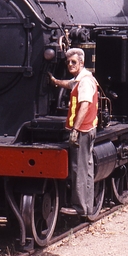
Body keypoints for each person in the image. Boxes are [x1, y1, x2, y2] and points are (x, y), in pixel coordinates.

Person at [49, 48, 98, 217]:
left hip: (83, 131)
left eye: (74, 62)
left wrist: (75, 130)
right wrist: (55, 81)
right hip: (87, 129)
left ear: (82, 63)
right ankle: (88, 207)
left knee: (79, 168)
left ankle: (80, 207)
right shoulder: (81, 79)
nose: (70, 64)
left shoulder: (84, 82)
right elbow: (69, 84)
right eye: (68, 62)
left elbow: (84, 105)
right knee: (87, 168)